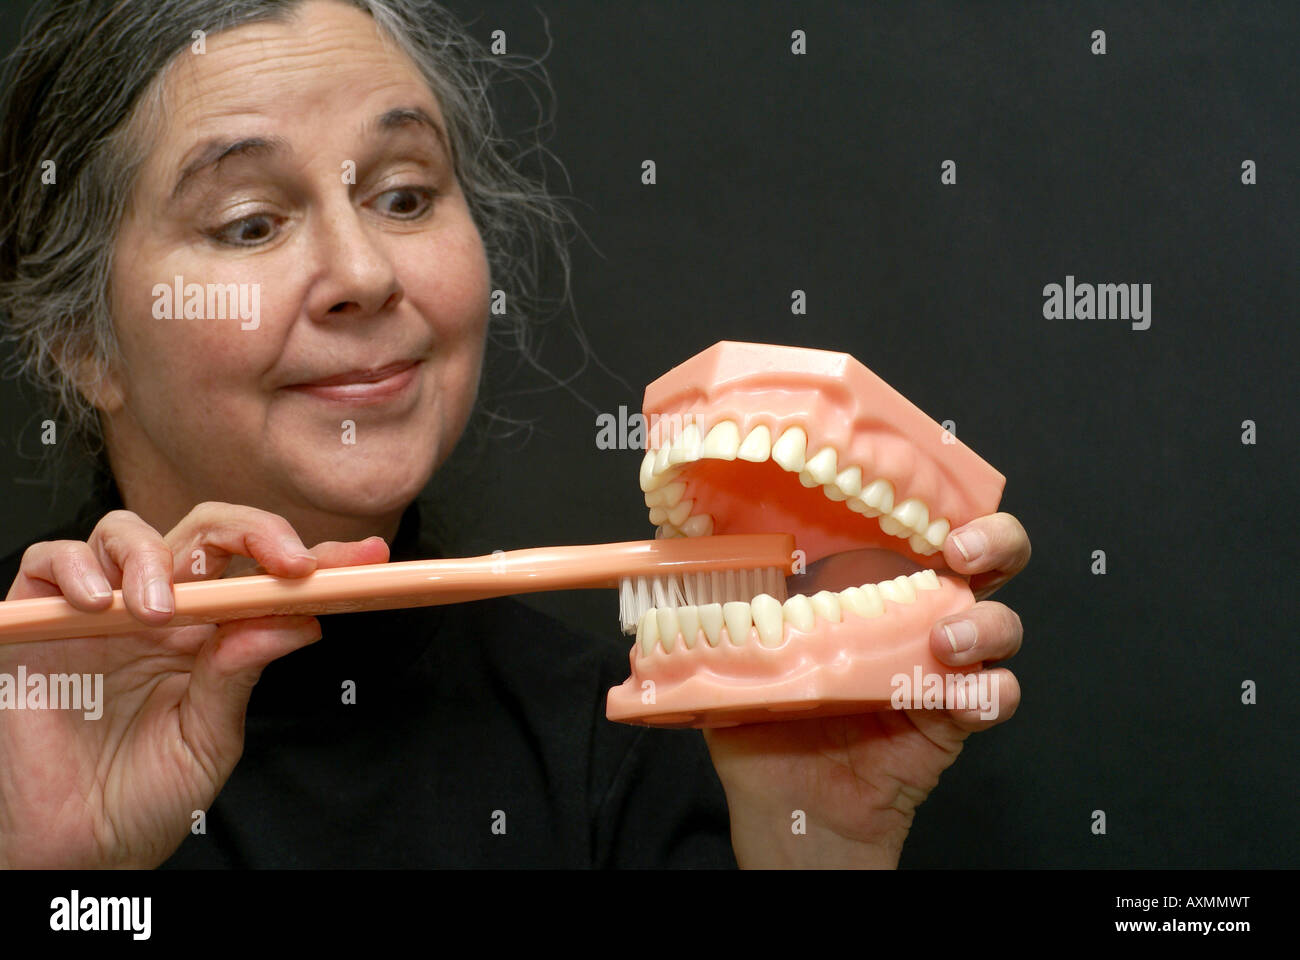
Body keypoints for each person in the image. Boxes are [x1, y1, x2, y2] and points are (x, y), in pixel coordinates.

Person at [0, 0, 1030, 869]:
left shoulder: (628, 742)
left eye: (404, 195)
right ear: (77, 338)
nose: (364, 275)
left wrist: (814, 838)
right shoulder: (17, 722)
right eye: (251, 223)